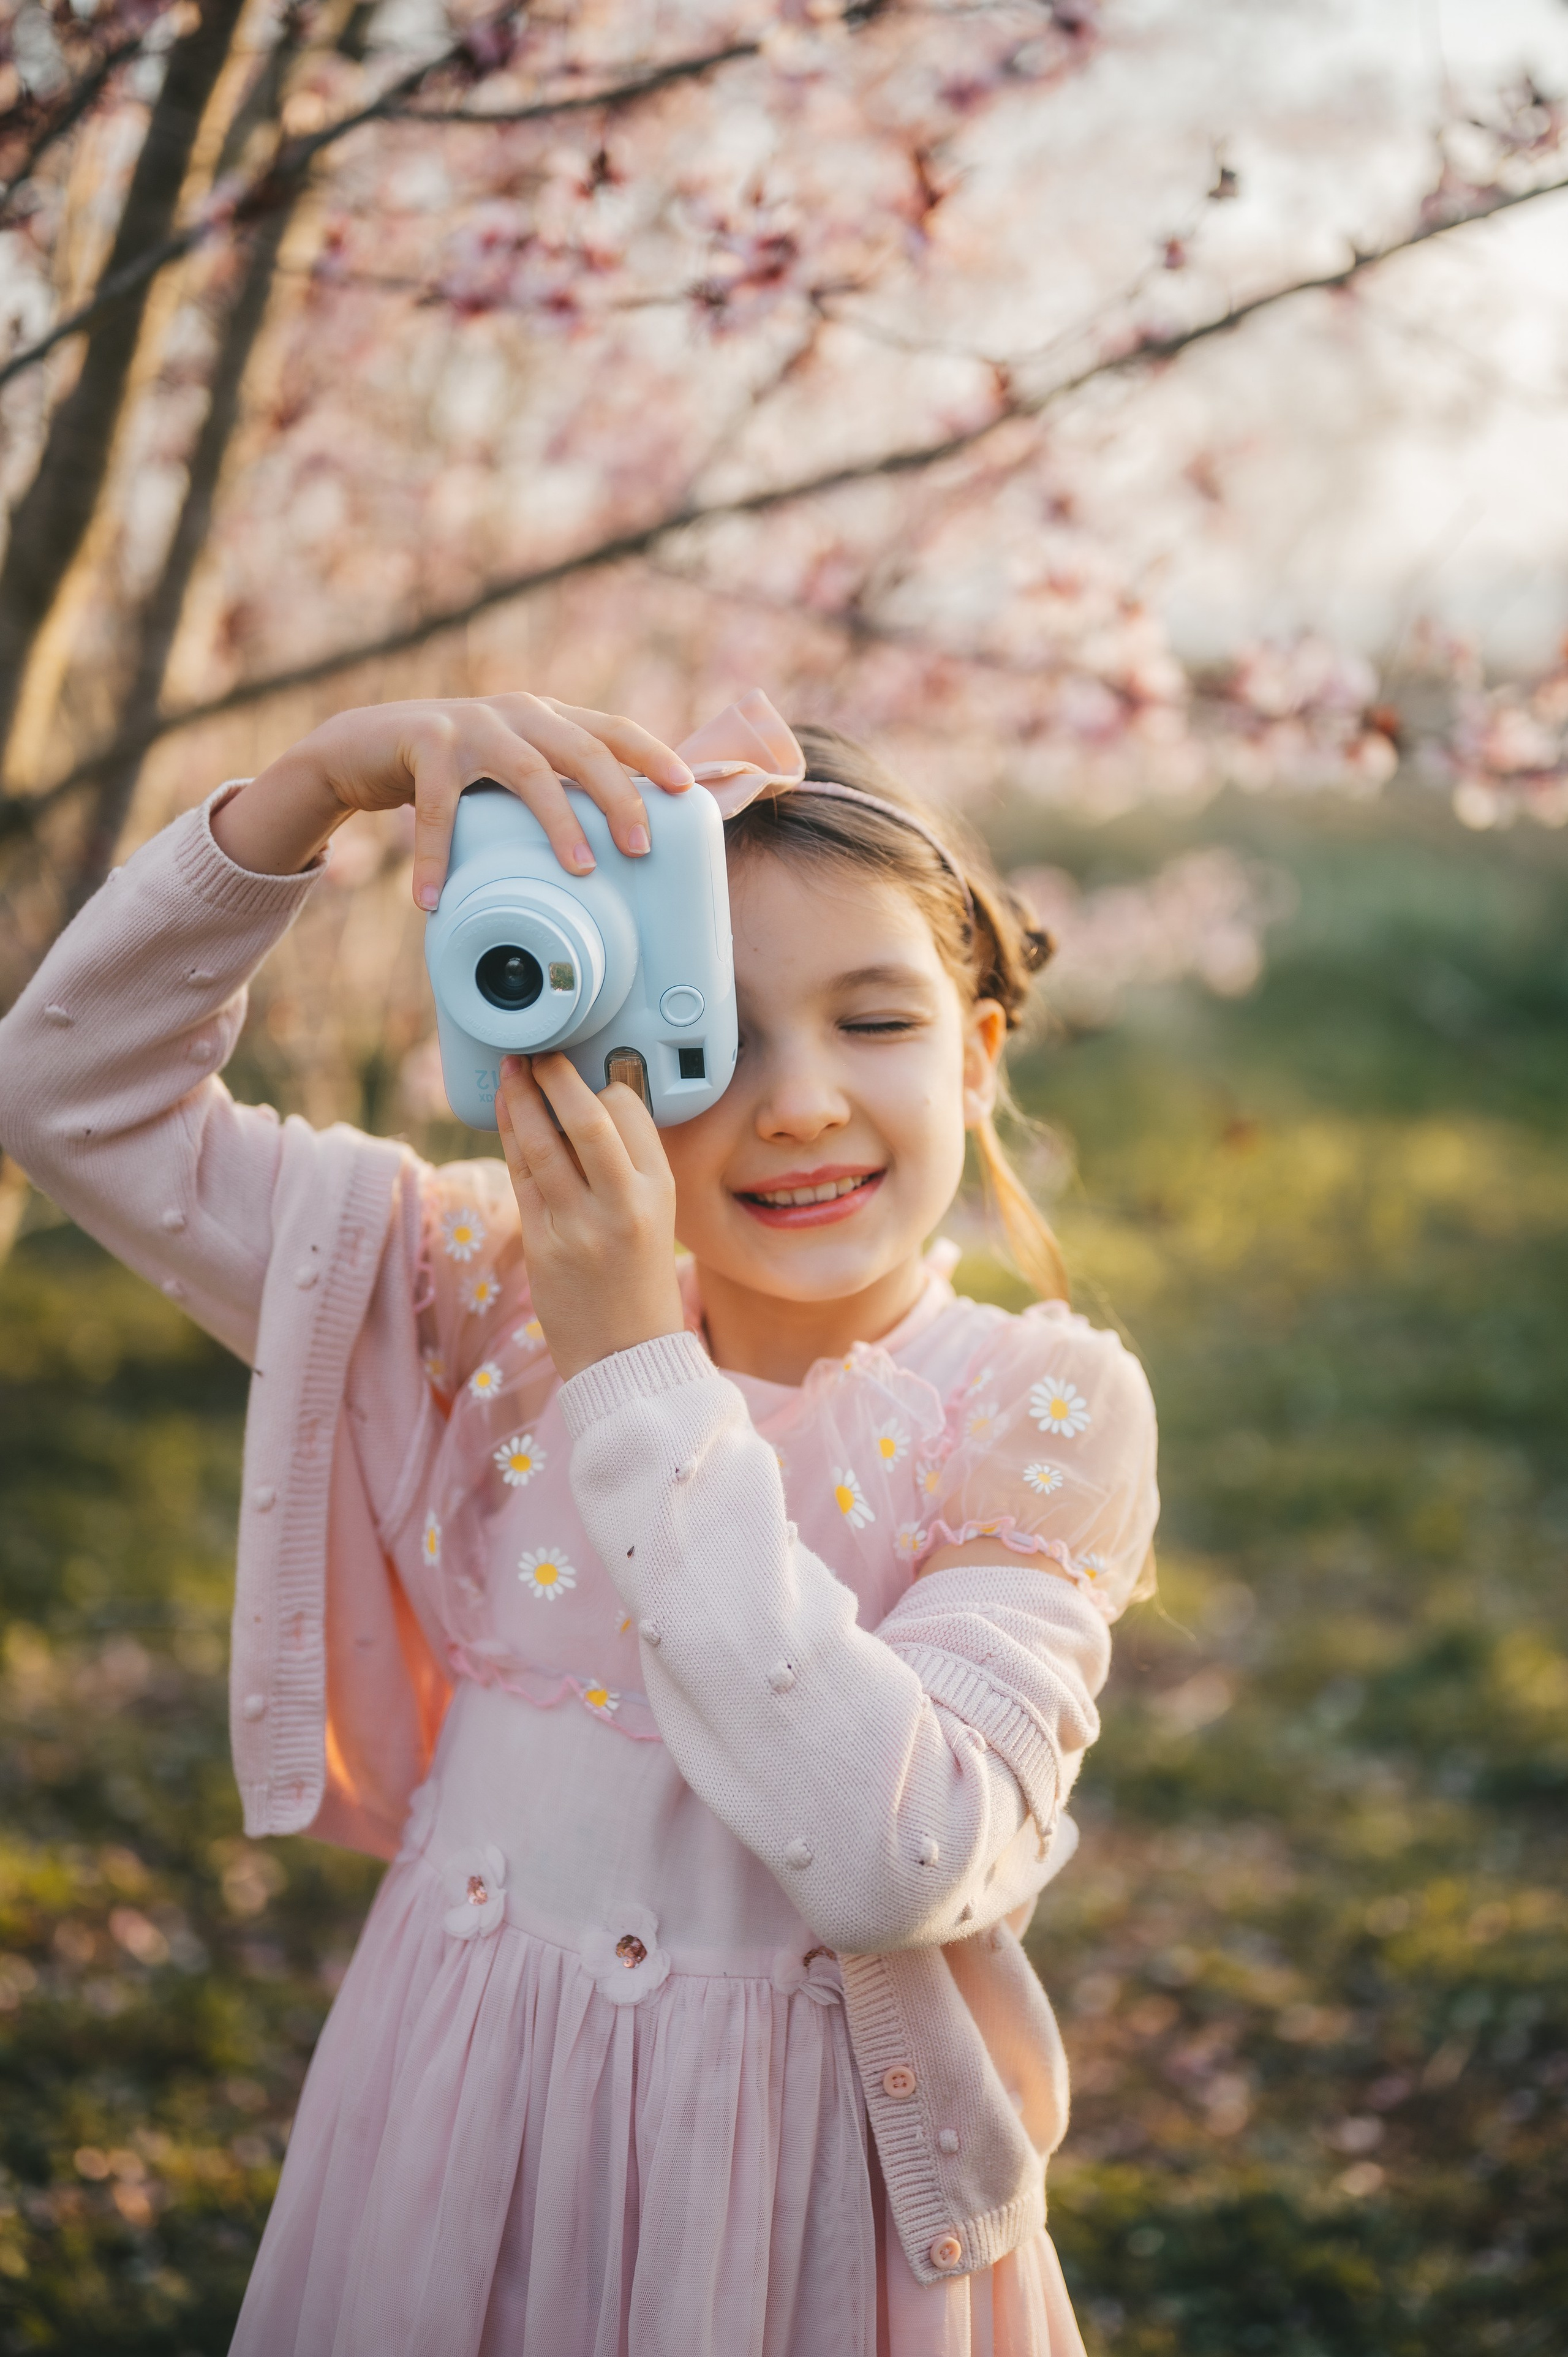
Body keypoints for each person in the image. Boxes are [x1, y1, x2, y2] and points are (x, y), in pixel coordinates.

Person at [0, 687, 1158, 2357]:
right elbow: (63, 1095)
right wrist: (321, 786)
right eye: (716, 1031)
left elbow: (897, 1854)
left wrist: (633, 1364)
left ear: (978, 1054)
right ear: (591, 1030)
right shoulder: (484, 1287)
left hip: (802, 2210)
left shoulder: (1037, 1411)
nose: (805, 1102)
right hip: (466, 2131)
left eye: (877, 1021)